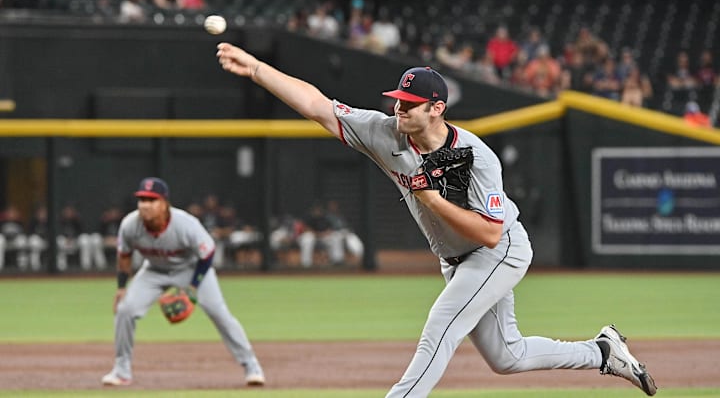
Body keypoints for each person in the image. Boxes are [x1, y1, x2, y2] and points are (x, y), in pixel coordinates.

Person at [216, 42, 658, 397]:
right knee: (507, 356)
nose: (398, 109)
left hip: (500, 252)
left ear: (436, 108)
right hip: (457, 261)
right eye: (397, 101)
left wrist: (429, 198)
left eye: (410, 104)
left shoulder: (476, 156)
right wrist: (257, 68)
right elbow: (317, 105)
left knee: (440, 328)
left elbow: (489, 234)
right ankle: (602, 352)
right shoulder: (385, 133)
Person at [101, 177, 265, 387]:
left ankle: (251, 365)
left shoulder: (185, 224)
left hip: (191, 268)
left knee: (219, 313)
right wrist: (121, 287)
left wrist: (193, 287)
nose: (145, 205)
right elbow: (124, 255)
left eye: (151, 200)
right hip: (154, 270)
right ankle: (121, 371)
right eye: (142, 199)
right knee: (125, 310)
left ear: (164, 203)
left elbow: (207, 253)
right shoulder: (130, 225)